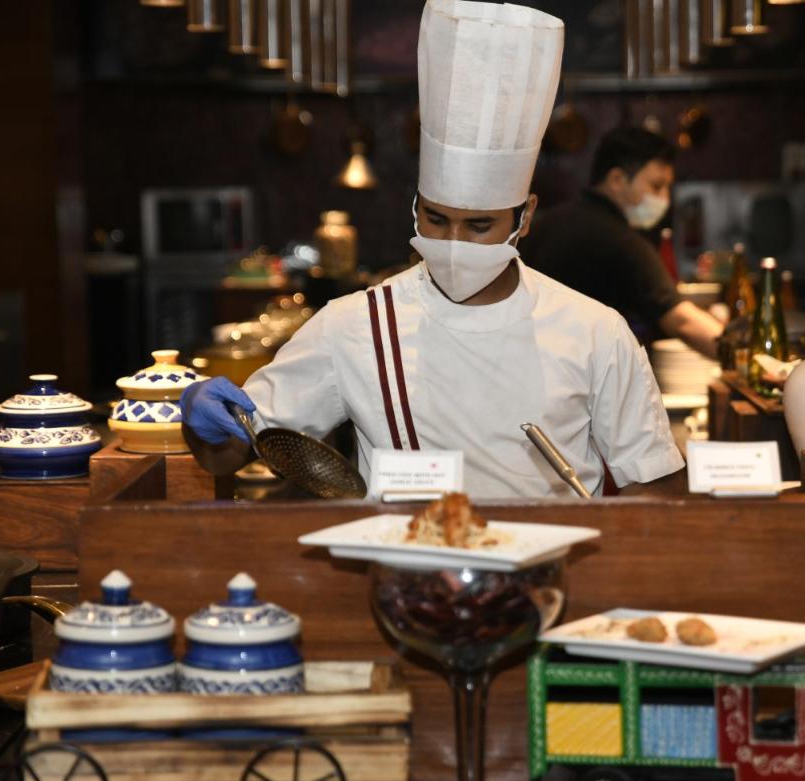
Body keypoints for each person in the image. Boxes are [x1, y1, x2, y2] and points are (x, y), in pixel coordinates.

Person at [182, 0, 684, 499]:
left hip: (555, 570)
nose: (453, 244)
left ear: (525, 217)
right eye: (436, 219)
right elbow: (233, 451)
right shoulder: (355, 324)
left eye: (480, 226)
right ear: (416, 205)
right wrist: (203, 422)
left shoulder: (595, 331)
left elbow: (655, 485)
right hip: (407, 569)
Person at [520, 126, 725, 357]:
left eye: (668, 187)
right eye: (656, 186)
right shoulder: (620, 241)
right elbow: (681, 321)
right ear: (617, 179)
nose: (665, 199)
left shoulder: (548, 222)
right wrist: (742, 355)